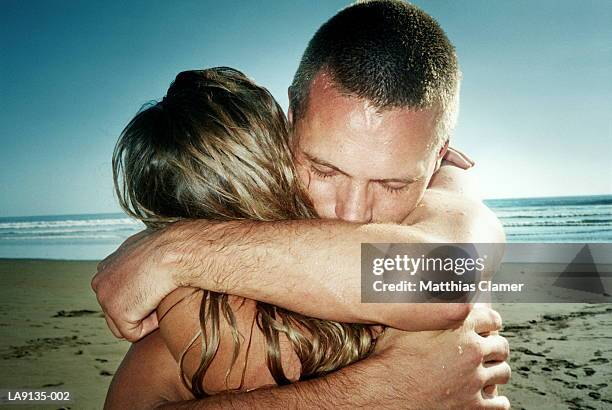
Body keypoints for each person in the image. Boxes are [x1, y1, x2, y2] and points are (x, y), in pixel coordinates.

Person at [94, 1, 511, 408]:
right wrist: (383, 391)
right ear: (290, 122)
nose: (351, 213)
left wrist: (176, 251)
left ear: (439, 156)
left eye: (391, 184)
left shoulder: (447, 216)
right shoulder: (202, 313)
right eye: (324, 171)